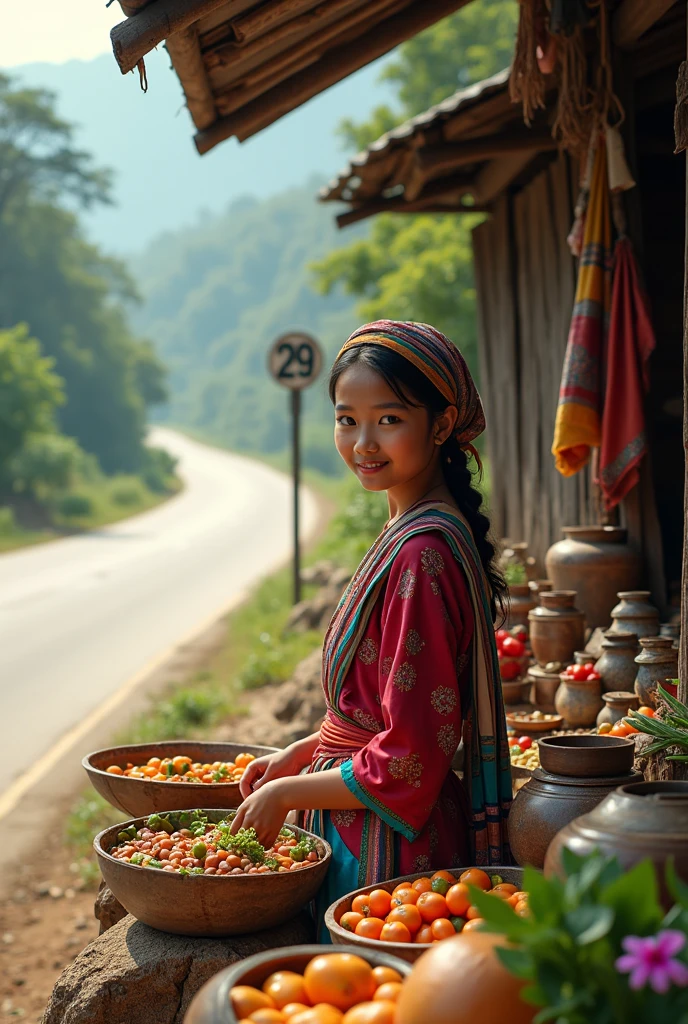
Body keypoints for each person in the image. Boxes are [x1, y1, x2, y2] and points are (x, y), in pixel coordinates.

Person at [233, 320, 512, 931]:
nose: (363, 442)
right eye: (346, 419)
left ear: (441, 425)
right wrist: (299, 754)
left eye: (388, 419)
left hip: (387, 856)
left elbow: (410, 753)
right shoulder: (409, 530)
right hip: (363, 825)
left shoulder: (422, 554)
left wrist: (287, 794)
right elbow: (376, 714)